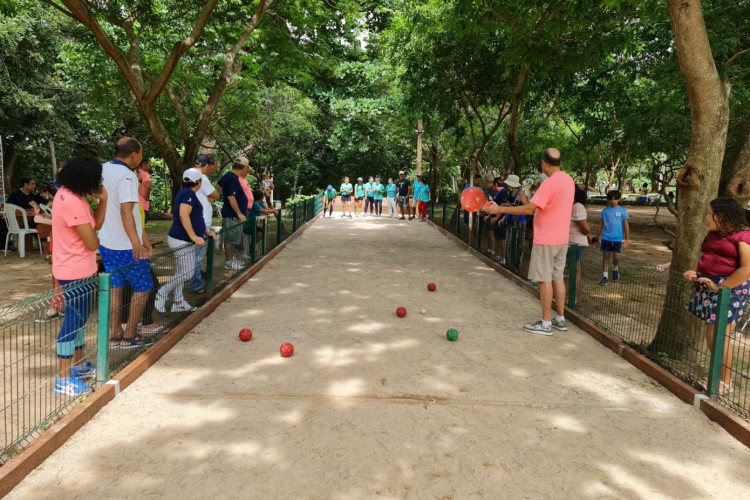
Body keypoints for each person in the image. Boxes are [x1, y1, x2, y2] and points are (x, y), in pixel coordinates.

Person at [484, 148, 574, 336]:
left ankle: (546, 323)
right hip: (562, 239)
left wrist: (500, 209)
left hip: (547, 239)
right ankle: (560, 318)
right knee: (558, 277)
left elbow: (530, 210)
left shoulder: (548, 184)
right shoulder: (568, 180)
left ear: (544, 163)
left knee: (544, 280)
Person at [51, 156, 108, 395]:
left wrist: (103, 201)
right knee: (73, 321)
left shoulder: (67, 192)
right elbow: (92, 241)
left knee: (79, 319)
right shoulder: (73, 202)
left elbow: (95, 225)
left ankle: (78, 364)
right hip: (75, 272)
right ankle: (63, 379)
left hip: (74, 268)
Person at [684, 197, 750, 392]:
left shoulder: (743, 236)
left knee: (720, 334)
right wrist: (694, 271)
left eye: (709, 213)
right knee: (712, 333)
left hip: (730, 290)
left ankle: (724, 382)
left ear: (721, 216)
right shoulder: (713, 234)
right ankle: (718, 377)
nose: (706, 217)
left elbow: (746, 268)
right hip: (709, 286)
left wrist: (722, 288)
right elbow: (705, 256)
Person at [98, 137, 156, 349]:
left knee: (115, 287)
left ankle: (115, 334)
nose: (141, 158)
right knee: (143, 287)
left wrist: (144, 239)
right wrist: (136, 243)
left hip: (106, 242)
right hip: (125, 245)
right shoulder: (128, 176)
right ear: (134, 155)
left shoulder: (102, 170)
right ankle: (130, 335)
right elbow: (127, 212)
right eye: (141, 154)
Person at [155, 168, 214, 314]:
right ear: (199, 182)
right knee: (187, 273)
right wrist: (194, 236)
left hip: (181, 238)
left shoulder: (184, 192)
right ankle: (163, 291)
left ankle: (179, 302)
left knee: (182, 272)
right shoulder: (188, 194)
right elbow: (183, 215)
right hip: (182, 239)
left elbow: (194, 217)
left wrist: (205, 231)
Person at [189, 154, 220, 294]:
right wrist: (211, 197)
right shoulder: (202, 177)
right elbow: (216, 195)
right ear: (207, 165)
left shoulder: (188, 173)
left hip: (195, 219)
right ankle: (195, 284)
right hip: (202, 221)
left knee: (194, 254)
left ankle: (197, 277)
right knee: (197, 255)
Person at [218, 157, 250, 271]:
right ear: (242, 168)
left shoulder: (229, 176)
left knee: (233, 237)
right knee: (230, 239)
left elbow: (219, 185)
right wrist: (239, 213)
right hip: (232, 214)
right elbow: (231, 197)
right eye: (247, 168)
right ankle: (229, 261)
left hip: (232, 213)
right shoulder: (232, 178)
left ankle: (231, 259)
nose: (248, 171)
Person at [596, 190, 630, 286]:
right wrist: (597, 237)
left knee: (616, 257)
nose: (612, 201)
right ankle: (605, 277)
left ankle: (615, 268)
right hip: (606, 237)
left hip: (617, 238)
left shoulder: (623, 210)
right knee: (605, 257)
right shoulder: (605, 211)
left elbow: (626, 225)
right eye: (610, 199)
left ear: (619, 199)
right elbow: (600, 225)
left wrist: (626, 239)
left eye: (615, 199)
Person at [569, 185, 592, 289]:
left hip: (575, 243)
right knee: (573, 269)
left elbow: (585, 228)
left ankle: (573, 297)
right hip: (571, 242)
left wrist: (588, 234)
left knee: (574, 270)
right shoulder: (573, 205)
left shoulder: (577, 206)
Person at [485, 178, 508, 263]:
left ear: (496, 185)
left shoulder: (503, 192)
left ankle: (503, 257)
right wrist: (489, 215)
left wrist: (497, 217)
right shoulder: (499, 192)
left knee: (502, 239)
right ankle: (498, 255)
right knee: (497, 237)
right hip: (496, 218)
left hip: (501, 219)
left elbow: (502, 206)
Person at [138, 158, 153, 223]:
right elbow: (148, 185)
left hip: (134, 204)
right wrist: (146, 197)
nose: (150, 167)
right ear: (144, 164)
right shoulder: (145, 174)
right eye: (149, 165)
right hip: (143, 205)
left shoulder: (134, 172)